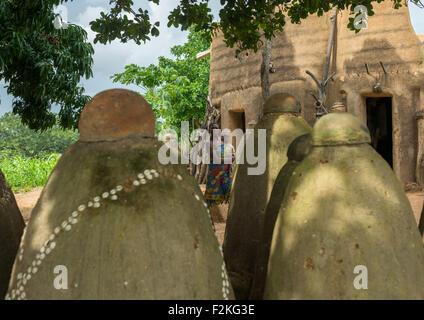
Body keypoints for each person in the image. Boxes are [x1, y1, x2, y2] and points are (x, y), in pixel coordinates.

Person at [204, 123, 234, 207]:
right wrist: (229, 159)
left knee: (228, 191)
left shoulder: (223, 142)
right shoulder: (208, 143)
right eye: (212, 128)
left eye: (216, 128)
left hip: (225, 172)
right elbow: (215, 159)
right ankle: (211, 215)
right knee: (212, 196)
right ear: (209, 130)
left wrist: (231, 158)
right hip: (214, 173)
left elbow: (231, 154)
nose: (214, 130)